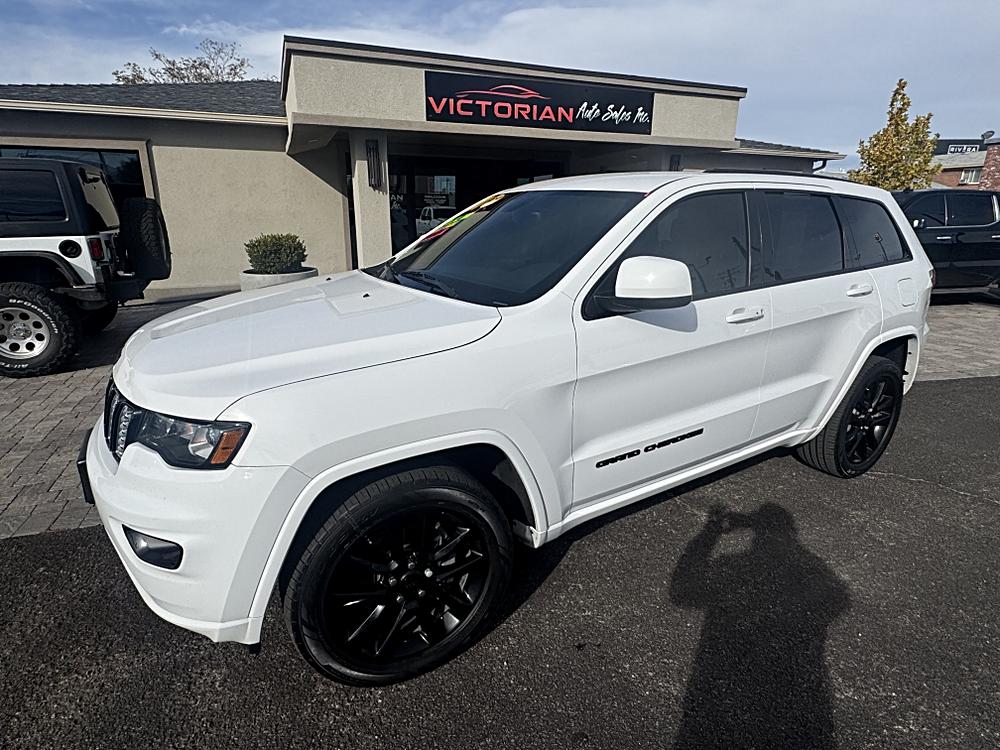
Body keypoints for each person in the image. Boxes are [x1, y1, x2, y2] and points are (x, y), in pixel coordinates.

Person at [670, 503, 851, 750]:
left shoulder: (733, 570)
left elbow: (681, 590)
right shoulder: (810, 578)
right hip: (790, 710)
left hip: (720, 705)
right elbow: (839, 597)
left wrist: (710, 533)